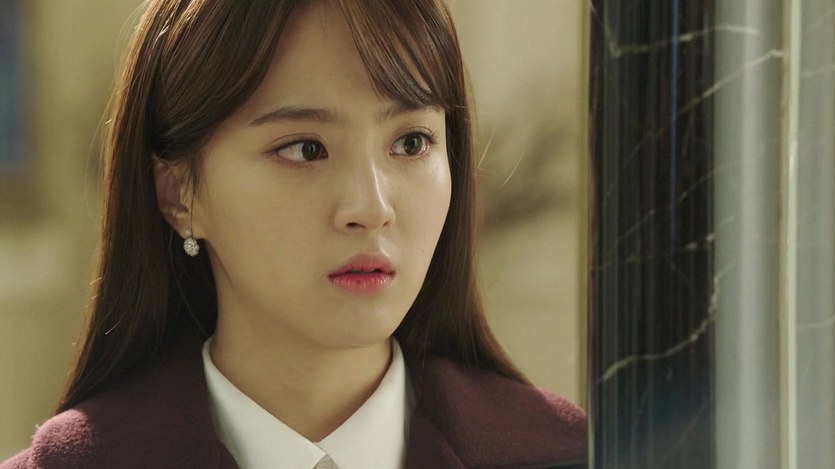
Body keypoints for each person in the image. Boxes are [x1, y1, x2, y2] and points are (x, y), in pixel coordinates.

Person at [2, 0, 587, 467]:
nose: (371, 208)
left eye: (411, 142)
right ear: (179, 194)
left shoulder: (571, 456)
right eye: (305, 149)